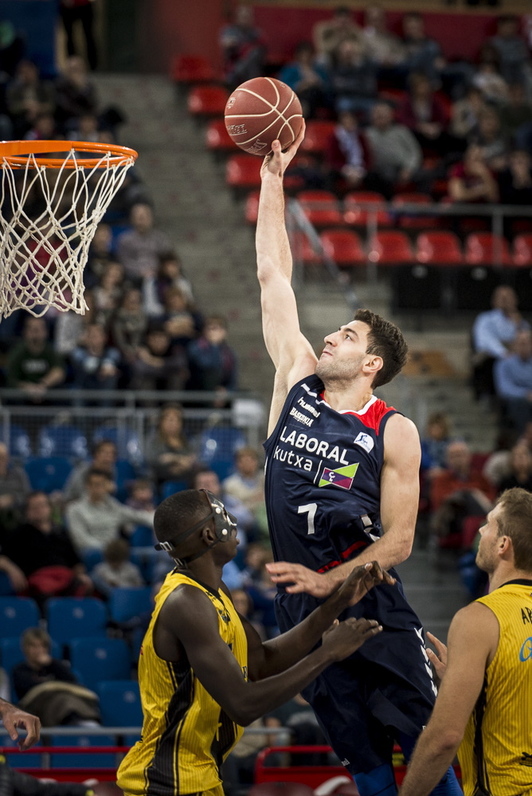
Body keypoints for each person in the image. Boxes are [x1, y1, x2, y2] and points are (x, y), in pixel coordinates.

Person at [254, 126, 461, 795]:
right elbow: (273, 275)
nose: (330, 336)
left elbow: (399, 540)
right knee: (364, 760)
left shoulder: (393, 431)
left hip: (373, 605)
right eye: (334, 330)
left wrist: (331, 580)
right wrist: (272, 181)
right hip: (302, 614)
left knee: (426, 745)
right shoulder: (297, 380)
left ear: (372, 364)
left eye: (347, 335)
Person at [116, 488, 389, 796]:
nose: (232, 520)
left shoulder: (213, 590)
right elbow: (243, 705)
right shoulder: (186, 603)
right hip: (167, 783)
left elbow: (260, 662)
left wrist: (338, 601)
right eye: (222, 513)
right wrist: (327, 654)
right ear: (208, 534)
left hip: (197, 775)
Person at [398, 487, 532, 796]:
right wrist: (469, 684)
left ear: (503, 545)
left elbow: (443, 738)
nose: (481, 530)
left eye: (489, 524)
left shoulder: (479, 619)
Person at [2, 492, 93, 605]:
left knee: (84, 585)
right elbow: (2, 558)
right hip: (37, 581)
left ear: (49, 508)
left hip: (65, 578)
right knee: (45, 592)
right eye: (34, 507)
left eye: (42, 505)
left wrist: (80, 575)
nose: (39, 510)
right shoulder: (19, 534)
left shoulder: (61, 533)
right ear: (27, 512)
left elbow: (76, 562)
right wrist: (12, 569)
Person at [12, 628, 100, 728]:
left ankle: (79, 720)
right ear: (25, 648)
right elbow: (30, 691)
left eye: (43, 646)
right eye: (34, 646)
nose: (39, 650)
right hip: (37, 710)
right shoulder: (19, 670)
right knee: (62, 699)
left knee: (67, 698)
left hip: (62, 708)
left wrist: (51, 664)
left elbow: (72, 682)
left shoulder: (54, 667)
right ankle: (79, 722)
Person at [66, 468, 154, 555]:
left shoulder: (112, 505)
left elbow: (135, 515)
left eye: (103, 485)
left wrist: (156, 519)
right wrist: (106, 550)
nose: (100, 488)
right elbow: (81, 540)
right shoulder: (75, 509)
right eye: (96, 485)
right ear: (87, 486)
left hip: (115, 554)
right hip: (92, 553)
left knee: (146, 553)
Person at [471, 285, 529, 402]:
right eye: (501, 297)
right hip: (492, 356)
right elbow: (485, 341)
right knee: (489, 361)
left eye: (508, 297)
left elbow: (526, 340)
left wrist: (517, 325)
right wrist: (504, 353)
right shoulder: (485, 319)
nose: (505, 300)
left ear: (515, 300)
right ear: (494, 300)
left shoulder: (520, 322)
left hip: (516, 357)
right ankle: (489, 397)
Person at [5, 317, 65, 402]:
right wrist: (28, 388)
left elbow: (59, 371)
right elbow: (12, 378)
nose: (35, 333)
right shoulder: (17, 352)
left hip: (46, 393)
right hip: (23, 395)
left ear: (46, 332)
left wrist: (42, 385)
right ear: (25, 332)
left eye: (38, 329)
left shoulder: (51, 351)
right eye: (32, 329)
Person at [494, 328, 532, 435]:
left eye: (526, 343)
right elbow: (504, 388)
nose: (523, 346)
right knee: (519, 404)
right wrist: (525, 394)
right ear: (514, 344)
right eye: (520, 343)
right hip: (515, 401)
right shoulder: (504, 364)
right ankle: (524, 437)